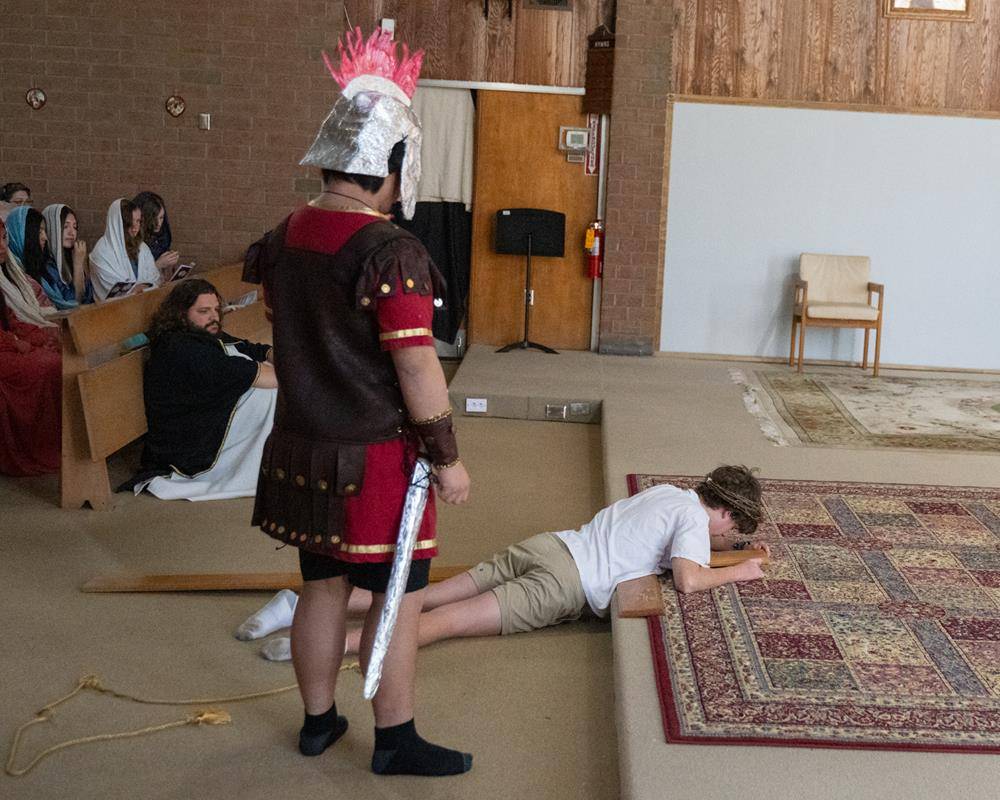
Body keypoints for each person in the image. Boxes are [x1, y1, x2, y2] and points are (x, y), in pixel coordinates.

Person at [243, 27, 472, 777]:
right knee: (396, 598)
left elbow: (292, 332)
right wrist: (447, 457)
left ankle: (317, 723)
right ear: (391, 164)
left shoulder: (289, 233)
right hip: (375, 461)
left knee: (320, 585)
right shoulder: (388, 252)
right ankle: (396, 739)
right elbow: (414, 368)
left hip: (302, 445)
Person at [340, 465, 770, 654]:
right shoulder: (695, 521)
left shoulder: (671, 495)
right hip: (564, 585)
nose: (726, 536)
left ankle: (302, 608)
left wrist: (732, 552)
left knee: (431, 595)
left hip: (551, 545)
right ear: (726, 512)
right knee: (445, 622)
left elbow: (687, 544)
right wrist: (742, 572)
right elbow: (688, 579)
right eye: (731, 529)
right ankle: (336, 647)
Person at [125, 278, 277, 501]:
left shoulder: (198, 333)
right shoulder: (181, 348)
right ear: (181, 313)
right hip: (189, 446)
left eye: (216, 309)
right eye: (204, 311)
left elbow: (248, 348)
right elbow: (255, 374)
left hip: (204, 417)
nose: (214, 317)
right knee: (271, 395)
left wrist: (277, 356)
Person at [0, 217, 61, 476]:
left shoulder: (11, 270)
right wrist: (18, 343)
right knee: (46, 365)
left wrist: (35, 336)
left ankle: (65, 442)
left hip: (8, 342)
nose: (3, 246)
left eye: (3, 239)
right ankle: (41, 448)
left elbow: (13, 319)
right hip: (4, 348)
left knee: (58, 353)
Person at [89, 198, 160, 300]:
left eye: (138, 221)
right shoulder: (102, 252)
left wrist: (140, 288)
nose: (136, 228)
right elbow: (114, 291)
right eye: (130, 223)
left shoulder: (142, 247)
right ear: (117, 223)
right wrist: (138, 288)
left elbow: (155, 279)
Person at [2, 206, 58, 323]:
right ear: (21, 234)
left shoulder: (42, 267)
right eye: (39, 231)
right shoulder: (10, 274)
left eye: (45, 231)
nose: (45, 237)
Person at [40, 204, 93, 309]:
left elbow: (88, 298)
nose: (72, 232)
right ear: (51, 228)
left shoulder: (73, 255)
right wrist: (78, 265)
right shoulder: (46, 265)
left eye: (75, 227)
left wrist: (82, 265)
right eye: (65, 226)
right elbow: (71, 304)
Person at [133, 191, 180, 278]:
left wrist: (169, 261)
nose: (158, 223)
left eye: (161, 218)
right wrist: (158, 264)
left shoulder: (162, 236)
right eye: (153, 219)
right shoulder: (132, 239)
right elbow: (132, 278)